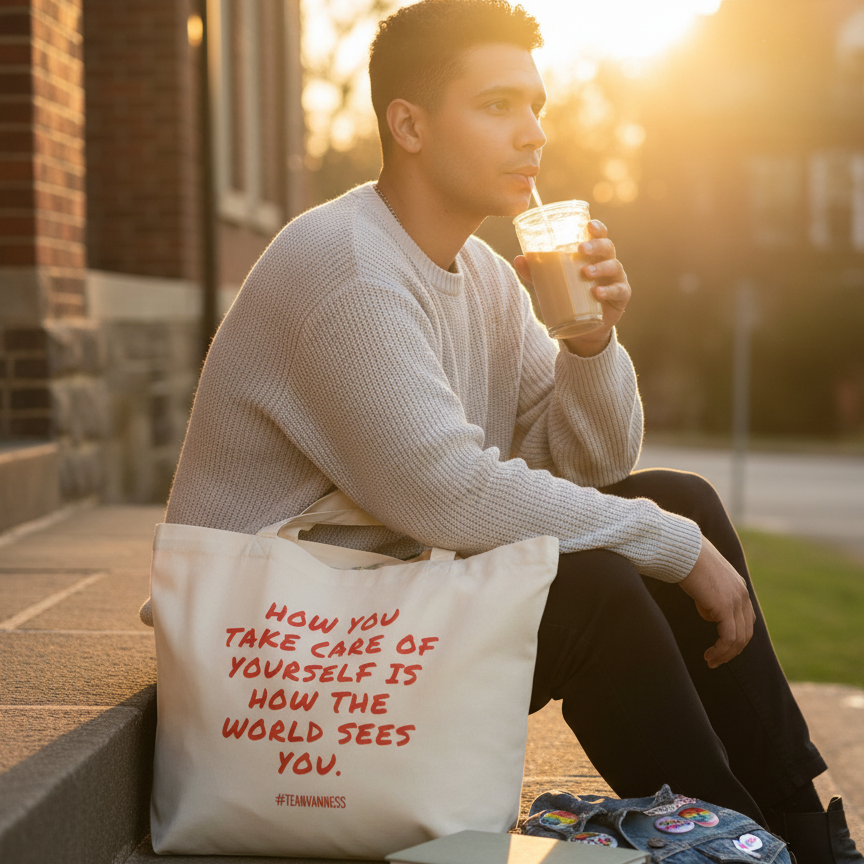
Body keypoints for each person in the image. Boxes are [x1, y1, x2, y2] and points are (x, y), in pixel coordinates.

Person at [164, 1, 861, 861]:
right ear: (408, 125)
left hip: (385, 619)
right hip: (280, 656)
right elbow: (450, 494)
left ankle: (800, 835)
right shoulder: (345, 269)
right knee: (599, 587)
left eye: (537, 106)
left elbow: (593, 464)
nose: (533, 133)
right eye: (498, 105)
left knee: (681, 498)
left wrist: (591, 341)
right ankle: (741, 852)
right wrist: (672, 548)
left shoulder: (487, 277)